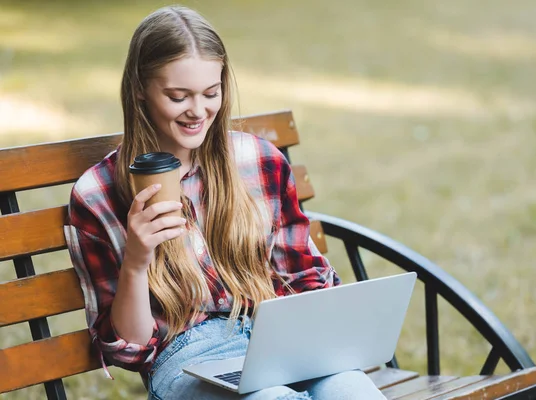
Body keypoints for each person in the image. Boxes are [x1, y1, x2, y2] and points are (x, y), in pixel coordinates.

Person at [65, 5, 386, 400]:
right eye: (178, 96)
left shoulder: (258, 161)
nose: (198, 111)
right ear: (139, 90)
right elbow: (131, 349)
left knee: (354, 392)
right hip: (187, 359)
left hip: (279, 343)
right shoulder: (97, 193)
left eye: (210, 93)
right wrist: (136, 260)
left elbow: (304, 279)